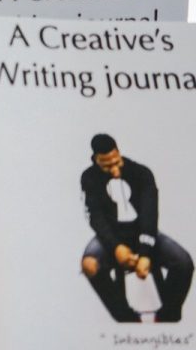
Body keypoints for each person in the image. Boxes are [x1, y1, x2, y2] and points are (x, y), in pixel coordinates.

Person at [81, 133, 193, 322]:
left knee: (183, 263)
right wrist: (116, 247)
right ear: (95, 160)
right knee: (89, 265)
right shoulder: (89, 178)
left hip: (142, 233)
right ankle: (125, 318)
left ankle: (168, 316)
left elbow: (150, 215)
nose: (115, 170)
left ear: (119, 153)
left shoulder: (141, 173)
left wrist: (145, 253)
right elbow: (96, 218)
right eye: (107, 165)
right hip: (111, 238)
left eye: (116, 162)